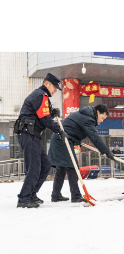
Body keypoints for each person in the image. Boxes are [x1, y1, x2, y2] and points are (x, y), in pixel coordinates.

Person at [14, 73, 69, 208]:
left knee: (45, 166)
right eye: (54, 87)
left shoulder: (41, 96)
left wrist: (52, 112)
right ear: (47, 84)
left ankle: (32, 194)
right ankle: (24, 198)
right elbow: (44, 118)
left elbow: (42, 114)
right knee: (34, 167)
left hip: (33, 135)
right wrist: (59, 130)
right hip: (28, 134)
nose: (55, 90)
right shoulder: (41, 95)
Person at [48, 104, 115, 203]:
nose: (101, 121)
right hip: (62, 139)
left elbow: (73, 130)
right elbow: (94, 137)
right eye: (102, 117)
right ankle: (75, 196)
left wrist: (77, 141)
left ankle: (56, 195)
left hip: (62, 138)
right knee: (72, 167)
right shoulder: (88, 118)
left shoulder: (86, 115)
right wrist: (106, 151)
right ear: (97, 112)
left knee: (61, 168)